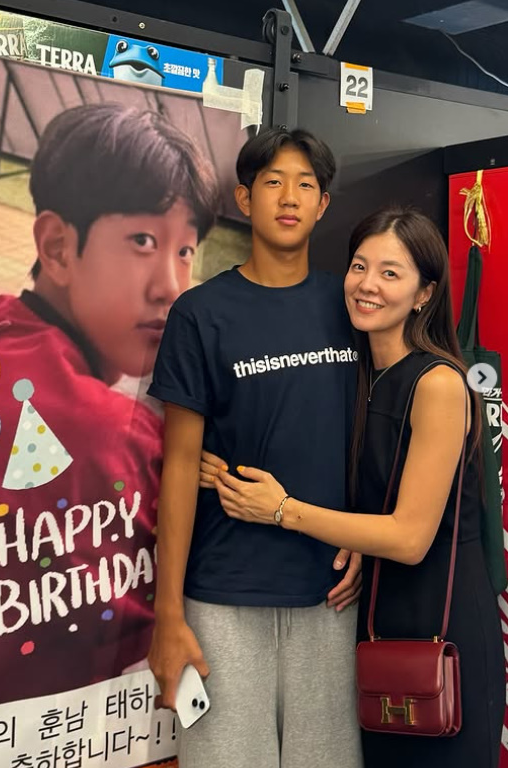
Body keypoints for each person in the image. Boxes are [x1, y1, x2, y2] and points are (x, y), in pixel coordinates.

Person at [0, 102, 219, 721]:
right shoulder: (106, 435)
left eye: (186, 251)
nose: (171, 286)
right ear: (57, 247)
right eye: (143, 241)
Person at [204, 206, 504, 768]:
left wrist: (282, 510)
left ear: (424, 294)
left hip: (444, 630)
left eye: (391, 273)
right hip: (378, 624)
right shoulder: (360, 374)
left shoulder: (438, 383)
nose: (368, 285)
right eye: (360, 266)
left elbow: (410, 537)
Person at [148, 127, 363, 768]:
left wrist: (364, 535)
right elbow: (180, 466)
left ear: (323, 204)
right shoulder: (200, 314)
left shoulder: (351, 308)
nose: (289, 197)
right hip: (222, 596)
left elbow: (375, 435)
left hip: (329, 596)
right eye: (272, 182)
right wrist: (168, 615)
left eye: (305, 185)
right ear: (244, 199)